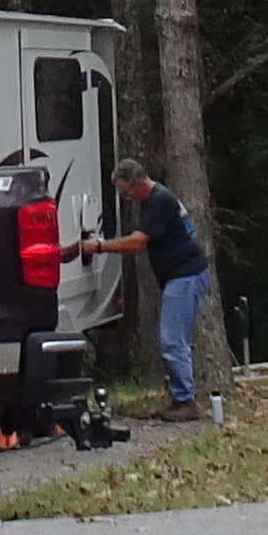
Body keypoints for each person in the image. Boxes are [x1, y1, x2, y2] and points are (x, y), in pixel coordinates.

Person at [84, 159, 217, 416]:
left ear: (137, 182)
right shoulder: (152, 200)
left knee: (172, 339)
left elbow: (137, 243)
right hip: (180, 276)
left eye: (126, 192)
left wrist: (100, 246)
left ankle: (186, 401)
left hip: (186, 275)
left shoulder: (159, 201)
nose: (127, 198)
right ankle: (180, 397)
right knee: (175, 339)